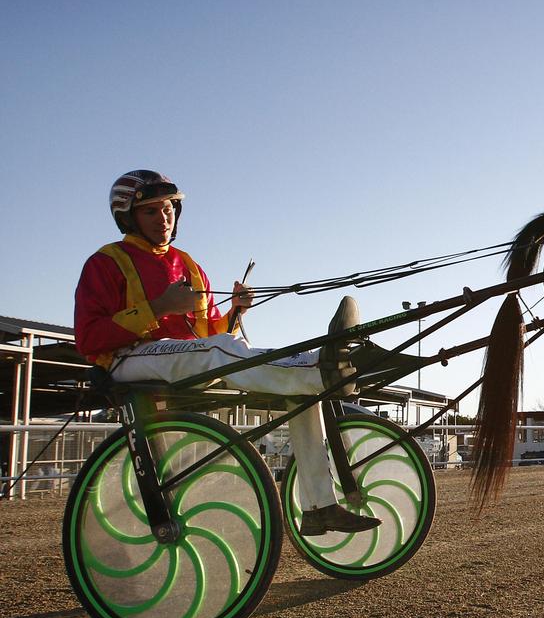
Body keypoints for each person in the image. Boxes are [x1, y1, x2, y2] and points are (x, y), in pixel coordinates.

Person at [74, 169, 380, 535]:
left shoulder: (189, 264)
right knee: (230, 351)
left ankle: (320, 507)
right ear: (128, 217)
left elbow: (208, 335)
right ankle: (322, 365)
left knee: (300, 390)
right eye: (151, 211)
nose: (164, 218)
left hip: (180, 360)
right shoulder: (105, 262)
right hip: (126, 361)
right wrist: (159, 308)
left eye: (169, 208)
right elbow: (89, 337)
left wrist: (236, 312)